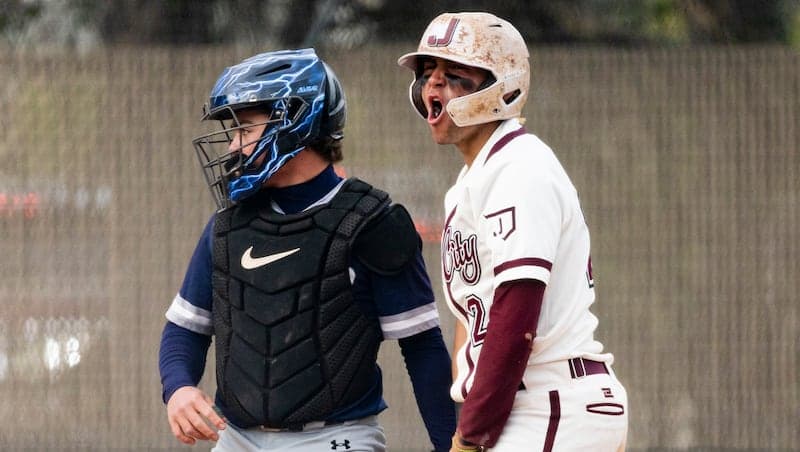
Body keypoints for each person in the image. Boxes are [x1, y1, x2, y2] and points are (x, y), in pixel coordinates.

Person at [158, 48, 456, 452]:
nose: (232, 147)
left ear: (294, 122)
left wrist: (452, 445)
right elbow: (185, 329)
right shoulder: (227, 227)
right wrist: (178, 389)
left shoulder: (373, 222)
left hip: (335, 438)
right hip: (236, 438)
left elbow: (423, 349)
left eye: (244, 129)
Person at [397, 12, 629, 452]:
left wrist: (473, 432)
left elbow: (516, 308)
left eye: (453, 74)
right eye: (428, 74)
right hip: (528, 407)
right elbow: (473, 318)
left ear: (501, 85)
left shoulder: (521, 166)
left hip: (551, 401)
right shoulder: (471, 182)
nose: (432, 86)